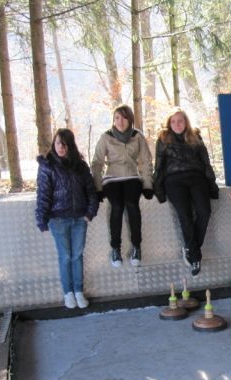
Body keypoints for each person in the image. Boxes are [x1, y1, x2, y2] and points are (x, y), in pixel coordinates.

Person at [35, 129, 99, 309]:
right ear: (53, 145)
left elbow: (91, 190)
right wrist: (41, 218)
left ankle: (78, 291)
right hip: (58, 219)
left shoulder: (80, 166)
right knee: (65, 256)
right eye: (58, 143)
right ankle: (68, 293)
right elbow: (43, 194)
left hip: (79, 218)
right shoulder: (48, 166)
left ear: (70, 145)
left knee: (77, 255)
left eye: (64, 144)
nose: (61, 147)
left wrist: (90, 213)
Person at [153, 108, 219, 276]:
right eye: (173, 121)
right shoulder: (163, 138)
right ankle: (195, 257)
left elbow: (205, 162)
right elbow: (159, 165)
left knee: (204, 211)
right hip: (174, 180)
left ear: (186, 122)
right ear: (169, 123)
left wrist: (212, 184)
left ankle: (190, 247)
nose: (177, 124)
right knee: (185, 215)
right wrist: (158, 188)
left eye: (180, 121)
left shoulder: (195, 136)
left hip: (196, 178)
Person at [92, 104, 153, 268]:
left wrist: (148, 185)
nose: (120, 121)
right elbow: (97, 163)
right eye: (117, 118)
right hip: (112, 178)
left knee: (132, 204)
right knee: (117, 206)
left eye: (124, 118)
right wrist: (98, 188)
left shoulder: (137, 136)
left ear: (130, 120)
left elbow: (146, 161)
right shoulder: (106, 137)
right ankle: (115, 248)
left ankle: (136, 246)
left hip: (132, 176)